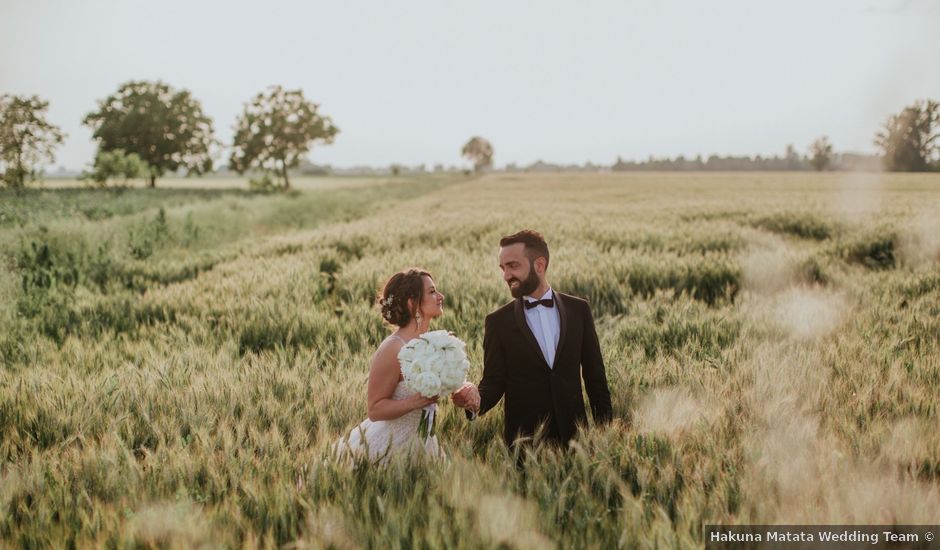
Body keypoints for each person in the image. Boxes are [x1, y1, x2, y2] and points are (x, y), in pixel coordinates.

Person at [453, 230, 613, 448]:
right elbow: (494, 381)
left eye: (513, 266)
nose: (506, 275)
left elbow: (595, 377)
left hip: (576, 438)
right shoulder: (498, 322)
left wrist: (608, 431)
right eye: (503, 268)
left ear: (539, 265)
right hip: (525, 444)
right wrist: (474, 401)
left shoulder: (579, 310)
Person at [334, 268, 455, 463]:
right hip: (391, 448)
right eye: (432, 292)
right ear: (412, 302)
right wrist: (414, 402)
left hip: (425, 443)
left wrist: (462, 389)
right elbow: (375, 409)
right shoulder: (393, 348)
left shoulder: (432, 342)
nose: (440, 296)